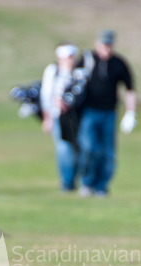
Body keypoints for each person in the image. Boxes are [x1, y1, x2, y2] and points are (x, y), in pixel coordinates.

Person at [77, 30, 137, 197]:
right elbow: (73, 83)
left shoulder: (119, 63)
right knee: (89, 148)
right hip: (89, 112)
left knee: (108, 152)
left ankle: (101, 186)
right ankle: (87, 183)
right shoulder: (87, 60)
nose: (107, 49)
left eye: (109, 45)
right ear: (97, 44)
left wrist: (131, 112)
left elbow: (130, 88)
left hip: (109, 113)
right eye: (104, 45)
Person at [40, 42, 87, 192]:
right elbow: (46, 95)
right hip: (59, 117)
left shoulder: (80, 74)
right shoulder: (53, 72)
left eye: (71, 57)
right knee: (64, 149)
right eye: (66, 58)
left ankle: (79, 179)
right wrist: (47, 117)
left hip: (78, 117)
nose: (69, 60)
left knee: (80, 149)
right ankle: (67, 182)